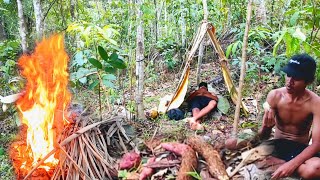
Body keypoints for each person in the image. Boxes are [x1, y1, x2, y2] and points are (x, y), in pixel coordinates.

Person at [227, 54, 320, 179]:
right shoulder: (275, 96)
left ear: (308, 81)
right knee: (231, 143)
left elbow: (316, 143)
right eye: (288, 75)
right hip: (276, 145)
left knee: (314, 169)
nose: (289, 82)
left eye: (296, 78)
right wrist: (266, 127)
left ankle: (277, 164)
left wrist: (291, 164)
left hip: (299, 149)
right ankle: (274, 163)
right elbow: (264, 135)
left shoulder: (315, 103)